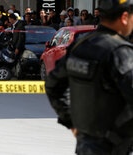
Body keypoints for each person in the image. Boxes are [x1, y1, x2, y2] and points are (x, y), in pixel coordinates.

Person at [45, 0, 133, 154]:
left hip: (86, 144)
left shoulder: (81, 45)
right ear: (125, 17)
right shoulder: (120, 52)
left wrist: (71, 121)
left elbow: (53, 84)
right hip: (115, 146)